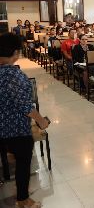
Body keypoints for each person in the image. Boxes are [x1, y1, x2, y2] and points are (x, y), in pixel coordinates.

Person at [0, 32, 49, 208]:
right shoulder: (14, 76)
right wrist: (41, 121)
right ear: (15, 52)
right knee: (22, 164)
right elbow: (25, 107)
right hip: (14, 129)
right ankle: (23, 200)